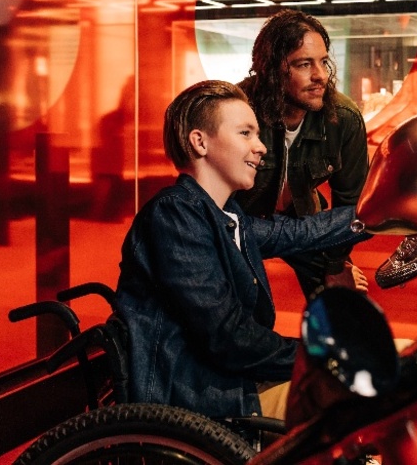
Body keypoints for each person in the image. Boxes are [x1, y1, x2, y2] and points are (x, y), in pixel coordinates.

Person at [113, 80, 369, 420]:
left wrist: (375, 215)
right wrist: (320, 355)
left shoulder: (227, 216)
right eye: (246, 133)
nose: (261, 147)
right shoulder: (174, 216)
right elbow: (227, 337)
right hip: (204, 400)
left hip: (233, 384)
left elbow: (300, 232)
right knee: (377, 380)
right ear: (200, 142)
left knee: (394, 361)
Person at [235, 9, 369, 299]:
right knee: (249, 308)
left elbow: (351, 204)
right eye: (304, 64)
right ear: (271, 70)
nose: (320, 75)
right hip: (243, 224)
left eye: (322, 61)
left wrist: (335, 263)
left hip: (301, 218)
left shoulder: (342, 117)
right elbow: (210, 197)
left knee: (344, 298)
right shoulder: (236, 110)